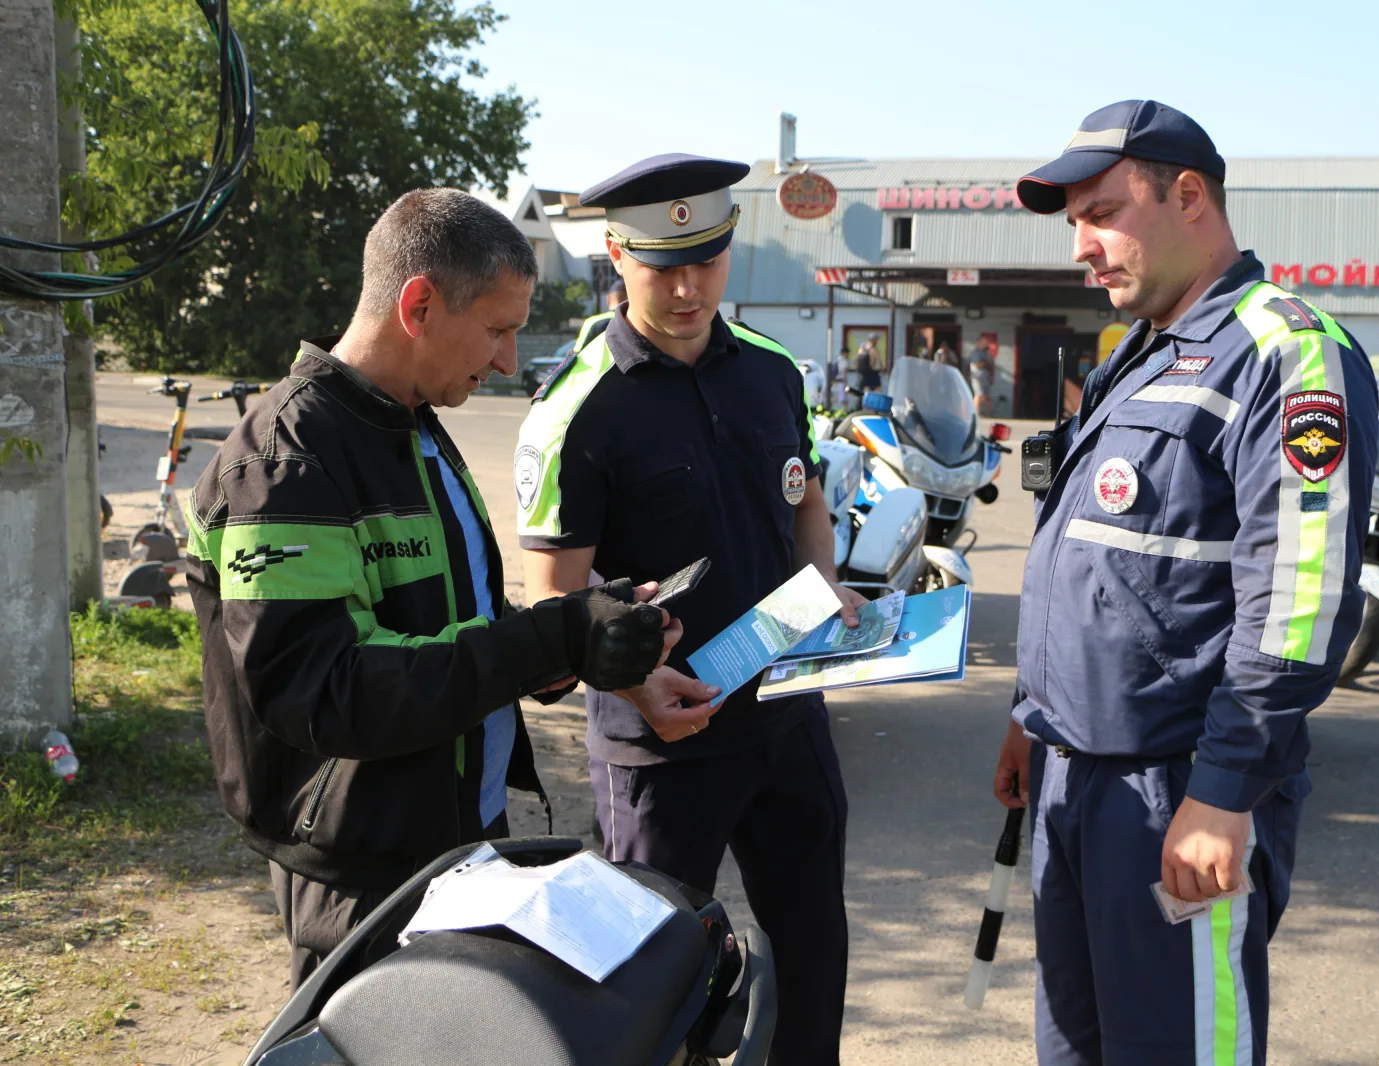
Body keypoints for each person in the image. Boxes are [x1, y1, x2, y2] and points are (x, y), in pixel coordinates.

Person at [183, 189, 676, 990]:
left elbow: (452, 628)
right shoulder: (283, 464)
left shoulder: (411, 424)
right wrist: (552, 637)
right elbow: (328, 692)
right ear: (418, 305)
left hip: (454, 838)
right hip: (361, 872)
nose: (511, 359)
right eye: (498, 329)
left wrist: (582, 642)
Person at [993, 100, 1378, 1066]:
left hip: (1177, 789)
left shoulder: (1286, 351)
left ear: (1190, 195)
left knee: (1178, 1048)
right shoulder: (1137, 352)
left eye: (1102, 212)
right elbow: (1092, 555)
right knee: (1075, 1045)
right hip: (1071, 777)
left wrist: (1224, 792)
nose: (1083, 246)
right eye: (1074, 221)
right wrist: (1028, 710)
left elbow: (1299, 596)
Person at [514, 154, 867, 1066]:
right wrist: (636, 693)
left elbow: (809, 506)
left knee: (812, 957)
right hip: (662, 748)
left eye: (706, 260)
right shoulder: (577, 409)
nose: (686, 287)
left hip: (787, 719)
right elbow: (555, 597)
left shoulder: (772, 372)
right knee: (650, 984)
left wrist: (823, 584)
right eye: (661, 264)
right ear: (614, 256)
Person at [969, 341, 995, 416]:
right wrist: (986, 363)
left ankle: (989, 414)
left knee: (986, 396)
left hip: (985, 377)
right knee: (978, 395)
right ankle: (976, 413)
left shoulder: (987, 353)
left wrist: (991, 376)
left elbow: (991, 365)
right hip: (977, 377)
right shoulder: (975, 352)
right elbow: (978, 364)